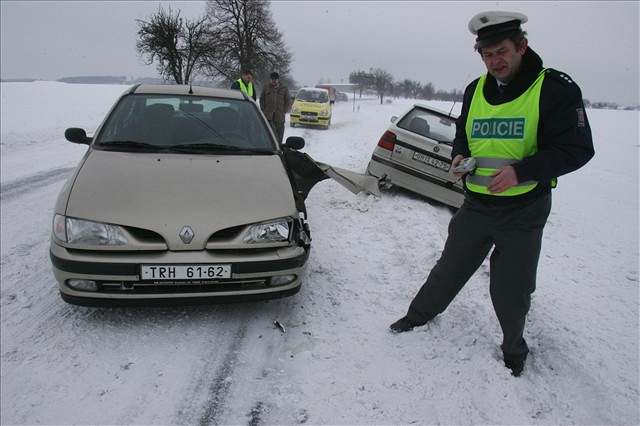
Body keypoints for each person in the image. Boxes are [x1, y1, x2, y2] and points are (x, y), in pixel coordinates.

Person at [389, 11, 594, 377]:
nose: (495, 61)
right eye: (486, 54)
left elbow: (577, 149)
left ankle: (514, 349)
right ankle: (417, 317)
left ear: (522, 46)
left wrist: (522, 171)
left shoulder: (554, 89)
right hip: (476, 205)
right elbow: (464, 135)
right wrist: (458, 156)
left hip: (524, 209)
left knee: (510, 288)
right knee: (449, 268)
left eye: (501, 51)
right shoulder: (474, 90)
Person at [259, 71, 290, 143]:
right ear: (270, 79)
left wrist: (284, 110)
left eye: (275, 79)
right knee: (269, 134)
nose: (273, 81)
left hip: (280, 116)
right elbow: (262, 99)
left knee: (279, 135)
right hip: (268, 116)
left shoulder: (284, 88)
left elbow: (288, 100)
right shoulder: (266, 87)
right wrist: (263, 110)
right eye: (272, 79)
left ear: (278, 80)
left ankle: (278, 148)